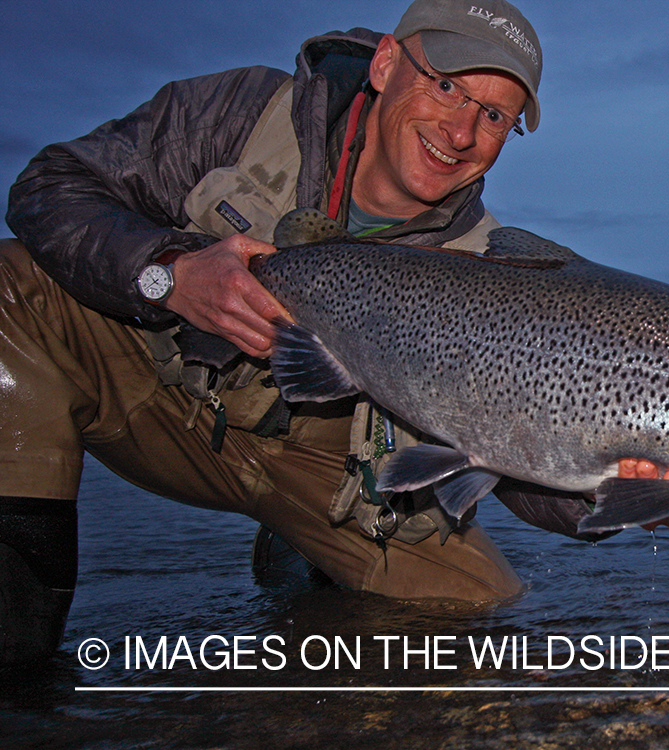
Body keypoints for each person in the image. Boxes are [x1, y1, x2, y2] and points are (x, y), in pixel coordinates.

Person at [0, 0, 551, 669]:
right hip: (154, 393)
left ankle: (301, 587)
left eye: (493, 115)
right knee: (12, 283)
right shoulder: (243, 114)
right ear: (384, 63)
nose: (461, 131)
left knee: (474, 611)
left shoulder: (490, 267)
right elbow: (48, 188)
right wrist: (169, 273)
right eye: (446, 87)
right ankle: (18, 670)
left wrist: (643, 485)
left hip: (323, 468)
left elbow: (522, 452)